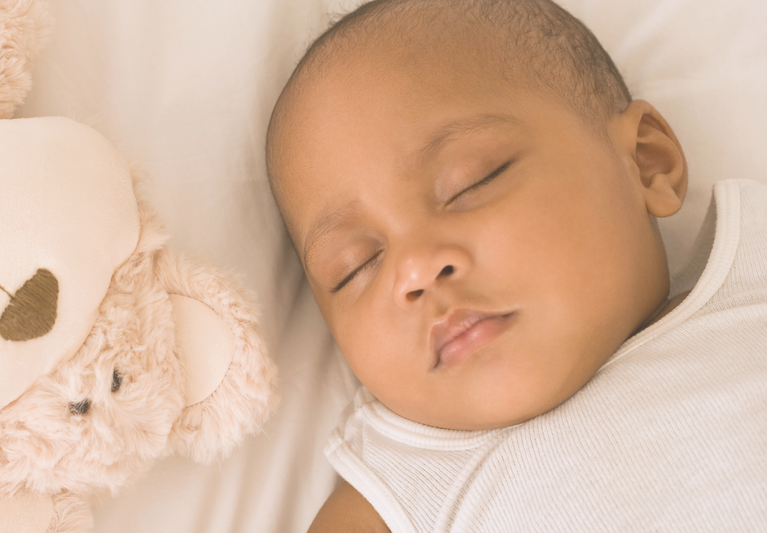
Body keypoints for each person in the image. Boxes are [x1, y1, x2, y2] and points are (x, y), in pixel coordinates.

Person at [265, 0, 767, 531]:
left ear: (646, 163)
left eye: (472, 183)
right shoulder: (400, 491)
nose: (415, 270)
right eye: (354, 266)